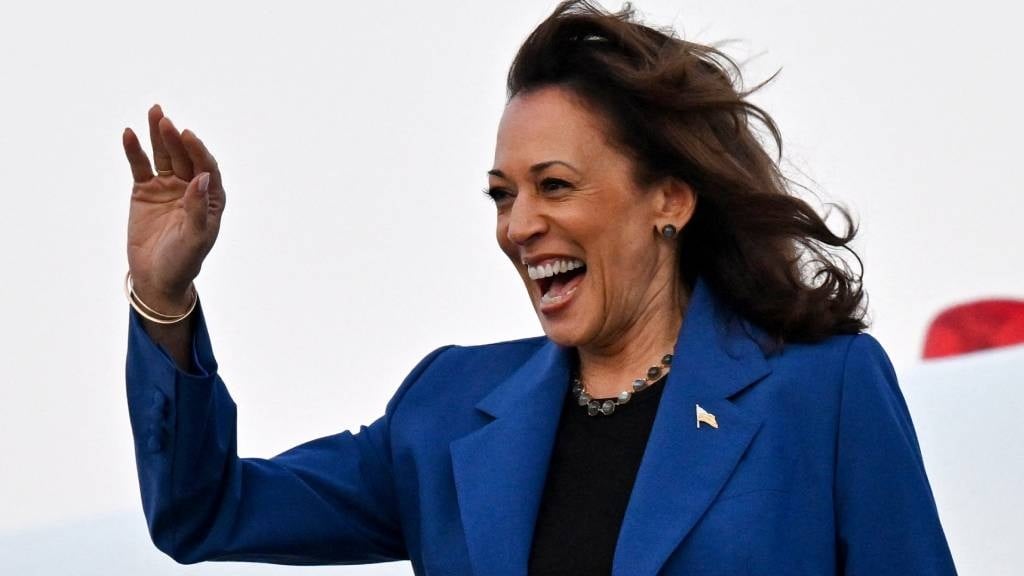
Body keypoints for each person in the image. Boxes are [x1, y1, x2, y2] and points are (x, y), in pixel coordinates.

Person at [122, 1, 958, 574]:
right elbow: (205, 510)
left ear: (668, 197)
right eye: (502, 194)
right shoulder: (446, 409)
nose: (518, 225)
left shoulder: (824, 390)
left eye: (554, 185)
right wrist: (165, 302)